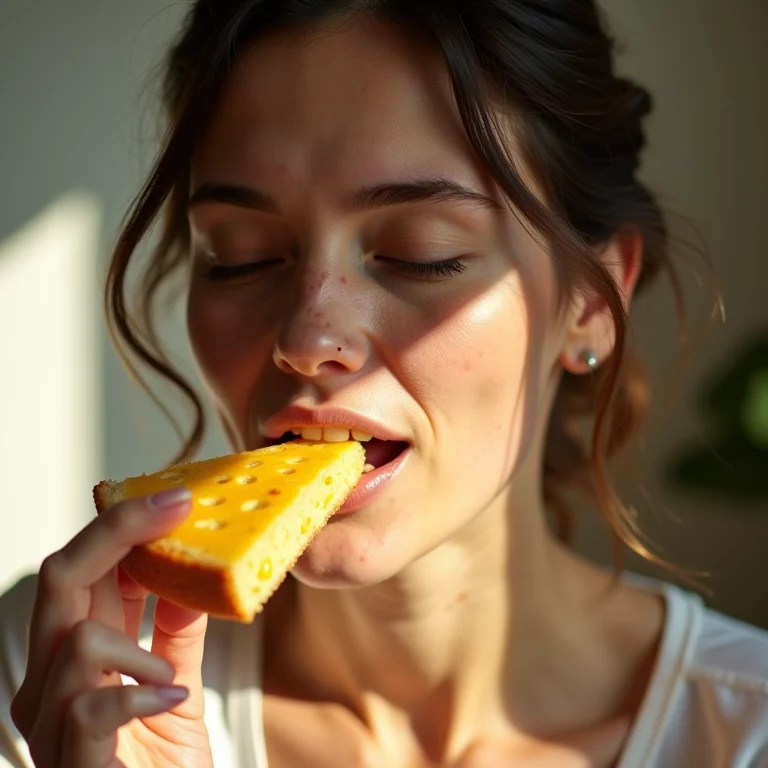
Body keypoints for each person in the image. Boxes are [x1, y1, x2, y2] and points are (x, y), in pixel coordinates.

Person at [2, 1, 767, 766]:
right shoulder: (60, 682)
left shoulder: (744, 733)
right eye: (239, 255)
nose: (305, 340)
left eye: (419, 252)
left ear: (593, 303)